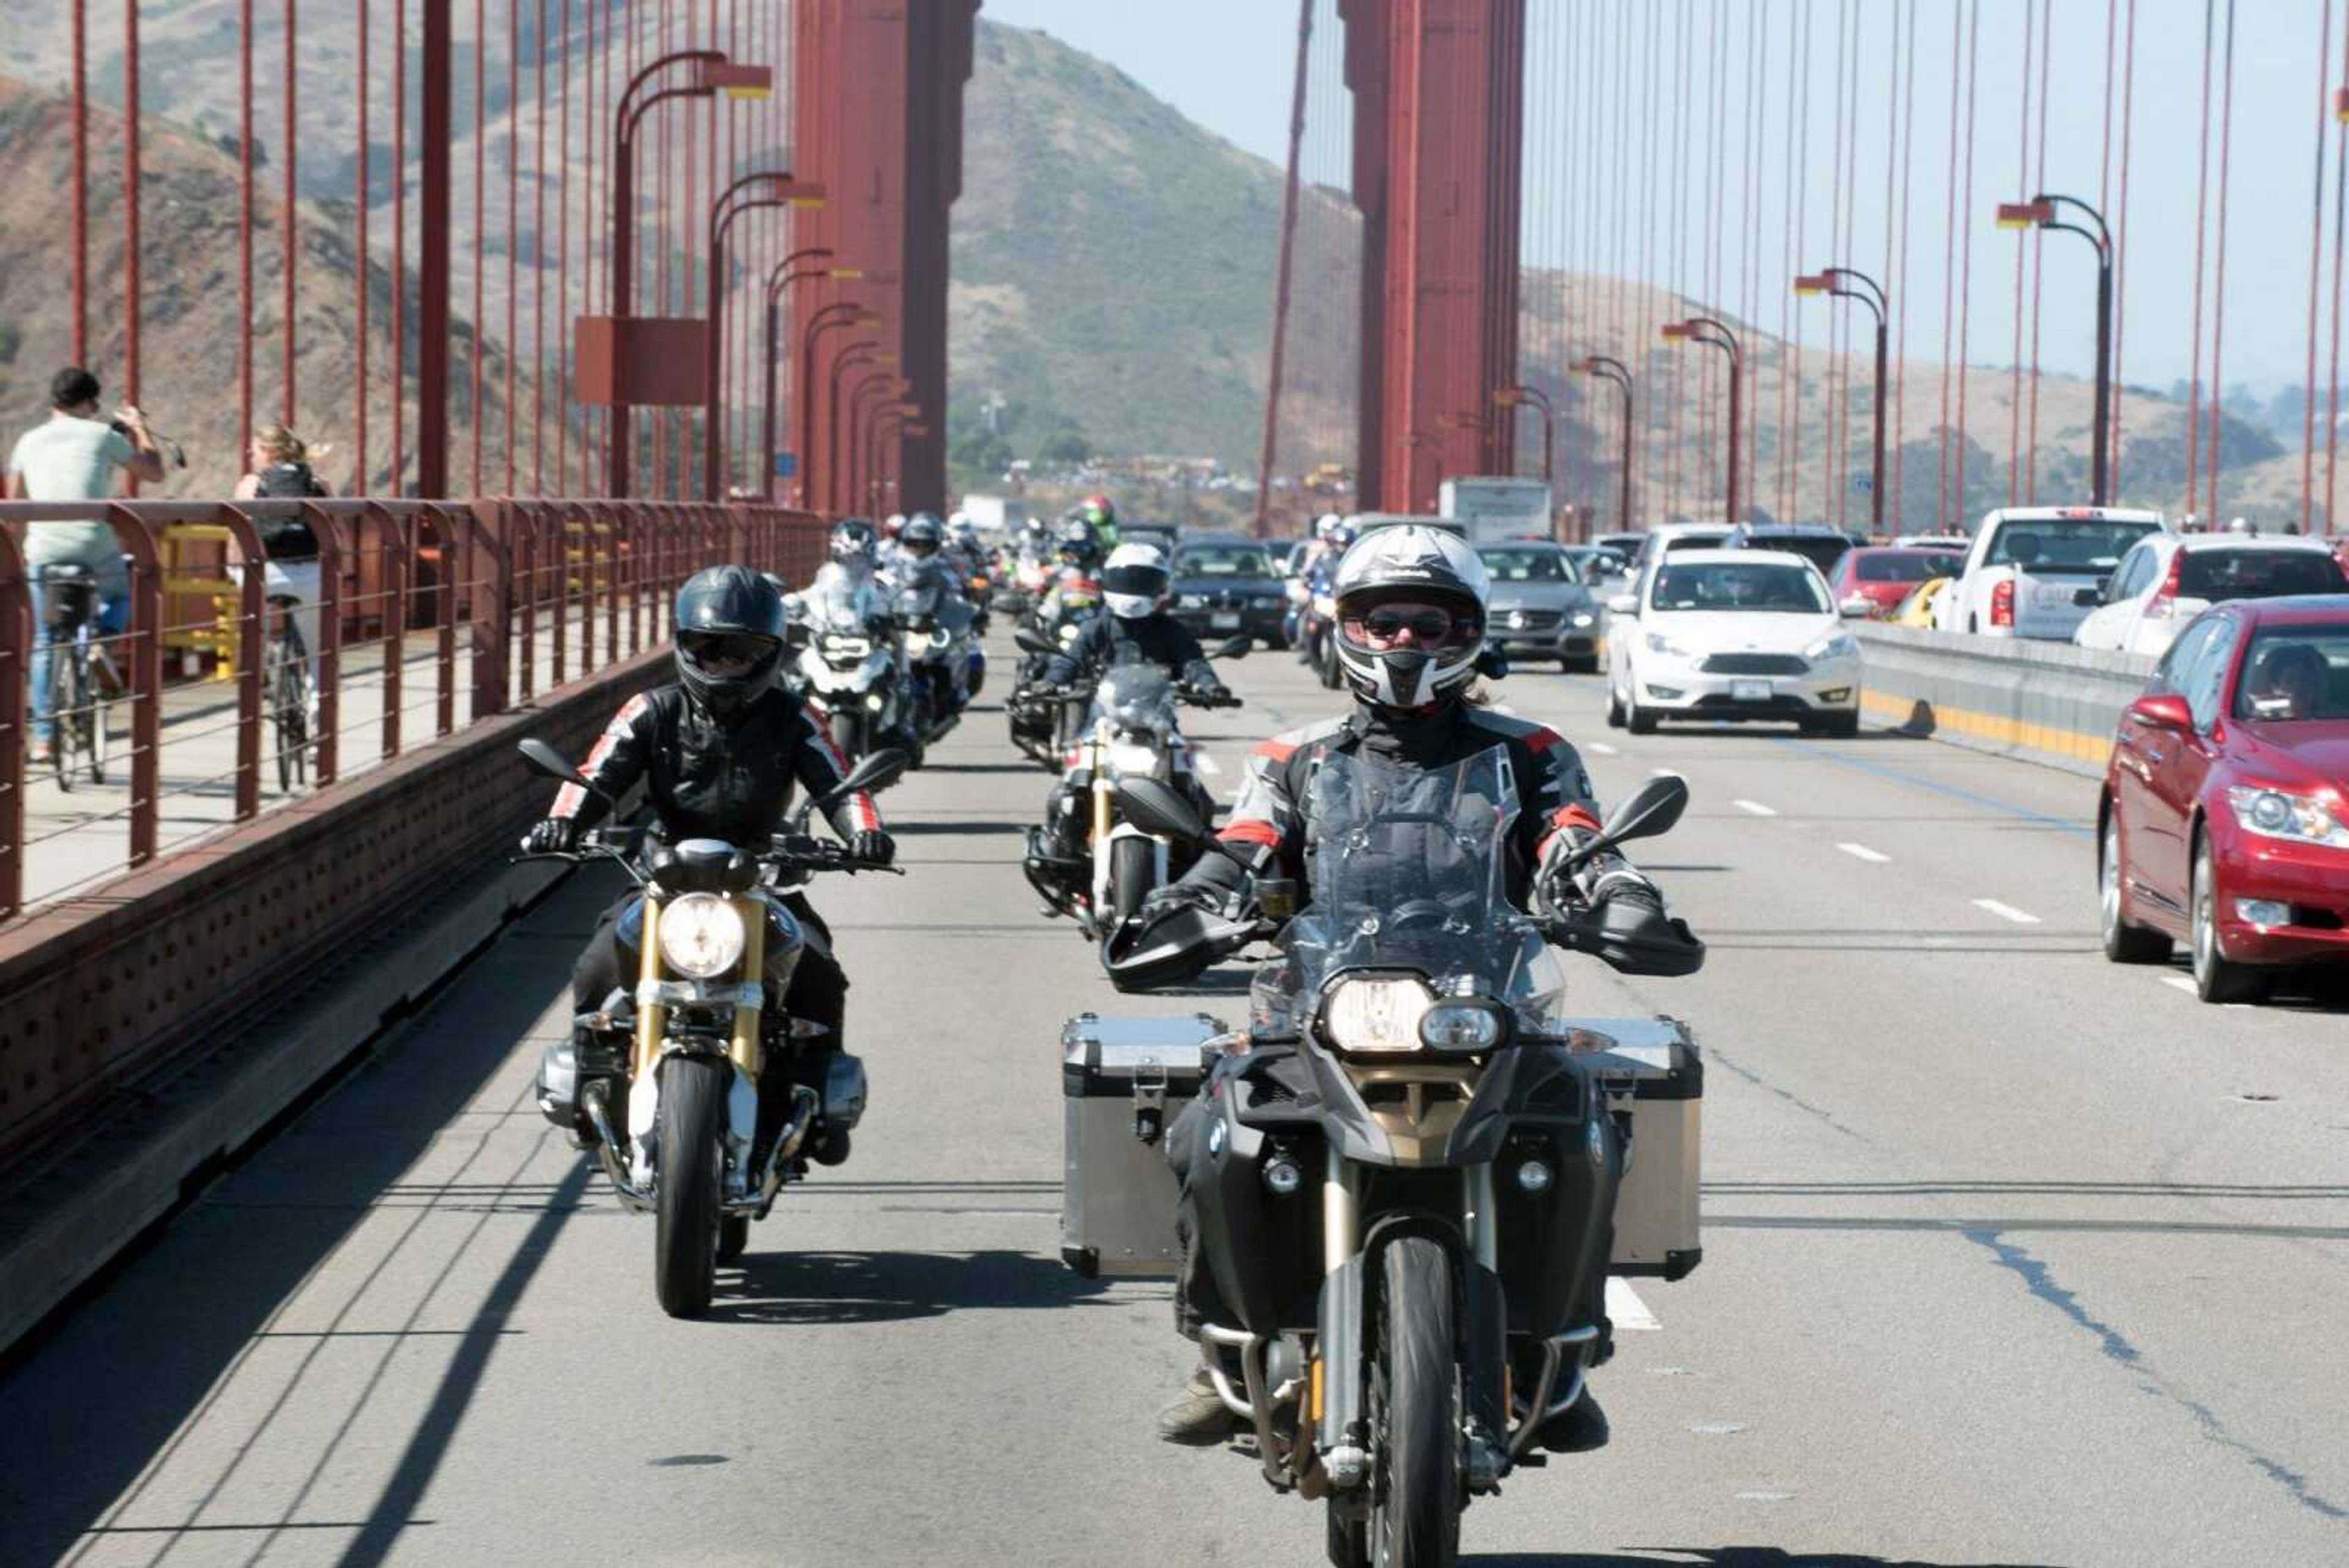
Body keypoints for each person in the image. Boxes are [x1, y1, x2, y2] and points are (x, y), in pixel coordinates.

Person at [1143, 524, 1668, 1452]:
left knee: (1590, 1130)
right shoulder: (1295, 755)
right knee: (1209, 1131)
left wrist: (1618, 895)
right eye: (1384, 621)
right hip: (1319, 997)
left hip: (1490, 1001)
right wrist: (1190, 898)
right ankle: (1220, 1352)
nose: (1404, 641)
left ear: (1467, 632)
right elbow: (1245, 844)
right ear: (1348, 627)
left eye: (1430, 622)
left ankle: (1563, 1343)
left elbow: (1577, 839)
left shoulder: (1532, 750)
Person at [522, 567, 894, 1164]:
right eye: (709, 648)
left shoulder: (794, 717)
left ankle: (821, 1111)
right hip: (666, 878)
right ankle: (592, 1097)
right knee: (595, 967)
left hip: (764, 874)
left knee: (820, 973)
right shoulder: (651, 710)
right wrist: (562, 822)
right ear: (684, 644)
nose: (724, 664)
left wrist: (866, 834)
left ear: (769, 653)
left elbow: (840, 784)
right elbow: (597, 774)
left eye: (742, 652)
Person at [7, 367, 166, 764]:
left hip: (44, 551)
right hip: (94, 549)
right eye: (94, 404)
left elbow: (14, 506)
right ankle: (102, 638)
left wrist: (19, 551)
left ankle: (43, 739)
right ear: (86, 403)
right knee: (119, 593)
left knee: (45, 639)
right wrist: (140, 428)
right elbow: (155, 472)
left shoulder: (27, 441)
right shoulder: (102, 436)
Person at [231, 423, 333, 702]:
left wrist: (232, 569)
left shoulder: (251, 484)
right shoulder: (318, 484)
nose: (251, 453)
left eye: (256, 448)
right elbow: (336, 533)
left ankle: (258, 661)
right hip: (312, 574)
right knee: (318, 655)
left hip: (265, 575)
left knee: (253, 620)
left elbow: (237, 537)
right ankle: (316, 734)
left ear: (270, 452)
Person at [2247, 641, 2326, 720]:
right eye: (2290, 681)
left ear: (2316, 686)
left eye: (2304, 680)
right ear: (2275, 688)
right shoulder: (2260, 722)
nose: (2298, 687)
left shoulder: (2335, 718)